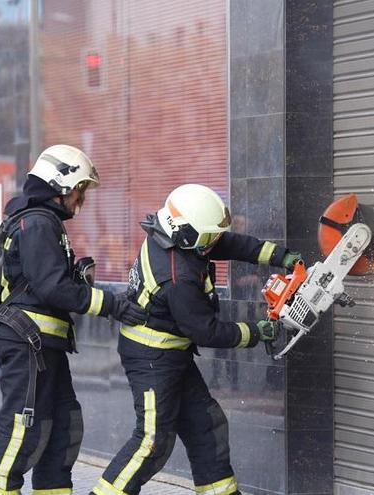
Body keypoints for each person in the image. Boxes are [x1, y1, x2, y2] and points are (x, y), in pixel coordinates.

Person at [91, 184, 302, 495]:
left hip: (171, 354)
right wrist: (257, 332)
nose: (214, 243)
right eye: (208, 238)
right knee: (151, 442)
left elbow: (227, 243)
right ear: (188, 234)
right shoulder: (178, 275)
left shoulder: (180, 239)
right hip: (152, 360)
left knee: (207, 427)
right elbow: (206, 331)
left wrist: (280, 256)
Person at [0, 144, 142, 495]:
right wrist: (111, 304)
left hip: (44, 347)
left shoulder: (41, 221)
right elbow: (52, 288)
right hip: (27, 344)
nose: (80, 200)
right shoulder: (37, 223)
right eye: (80, 190)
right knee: (21, 432)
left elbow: (47, 283)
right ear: (62, 186)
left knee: (62, 430)